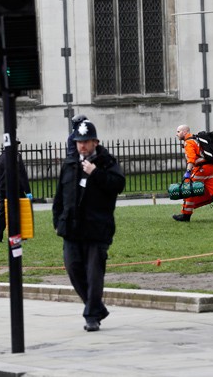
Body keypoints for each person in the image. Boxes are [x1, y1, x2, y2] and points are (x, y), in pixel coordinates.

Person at [53, 120, 125, 332]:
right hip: (72, 228)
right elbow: (60, 196)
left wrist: (95, 173)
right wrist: (57, 221)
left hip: (97, 228)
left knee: (94, 274)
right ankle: (97, 308)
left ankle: (91, 316)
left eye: (86, 141)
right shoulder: (70, 164)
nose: (82, 146)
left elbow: (118, 185)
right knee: (74, 270)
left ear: (95, 142)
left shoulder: (106, 163)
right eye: (79, 142)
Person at [172, 125, 213, 222]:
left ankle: (186, 215)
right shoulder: (197, 139)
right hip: (211, 168)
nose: (176, 134)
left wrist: (188, 172)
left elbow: (191, 159)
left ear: (184, 132)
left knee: (188, 189)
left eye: (178, 131)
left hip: (201, 169)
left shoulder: (189, 142)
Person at [0, 142, 32, 243]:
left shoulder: (0, 157)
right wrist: (27, 190)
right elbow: (22, 174)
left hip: (3, 189)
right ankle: (21, 235)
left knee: (3, 213)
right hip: (15, 188)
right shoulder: (16, 157)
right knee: (20, 211)